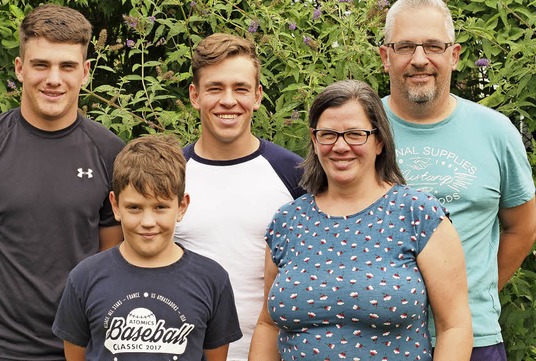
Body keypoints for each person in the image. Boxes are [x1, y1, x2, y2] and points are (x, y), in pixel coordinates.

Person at [0, 4, 125, 360]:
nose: (54, 78)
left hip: (74, 350)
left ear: (85, 72)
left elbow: (109, 256)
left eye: (67, 66)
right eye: (41, 64)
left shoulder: (109, 152)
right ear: (20, 69)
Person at [249, 79, 472, 361]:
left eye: (355, 134)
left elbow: (454, 326)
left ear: (379, 141)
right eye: (328, 134)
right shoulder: (287, 222)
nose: (341, 146)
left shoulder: (418, 214)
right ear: (315, 140)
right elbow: (268, 325)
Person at [378, 0, 536, 359]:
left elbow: (523, 227)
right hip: (378, 339)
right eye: (405, 46)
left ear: (455, 55)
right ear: (386, 56)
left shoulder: (496, 132)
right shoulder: (358, 130)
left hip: (474, 337)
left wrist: (471, 293)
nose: (420, 59)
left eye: (434, 46)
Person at [172, 33, 306, 360]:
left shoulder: (295, 175)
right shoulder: (170, 174)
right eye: (215, 88)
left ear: (258, 96)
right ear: (194, 95)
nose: (228, 101)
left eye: (241, 88)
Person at [52, 134, 242, 360]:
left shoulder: (212, 280)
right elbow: (75, 355)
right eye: (134, 208)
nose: (148, 221)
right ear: (115, 205)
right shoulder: (84, 278)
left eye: (161, 207)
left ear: (181, 206)